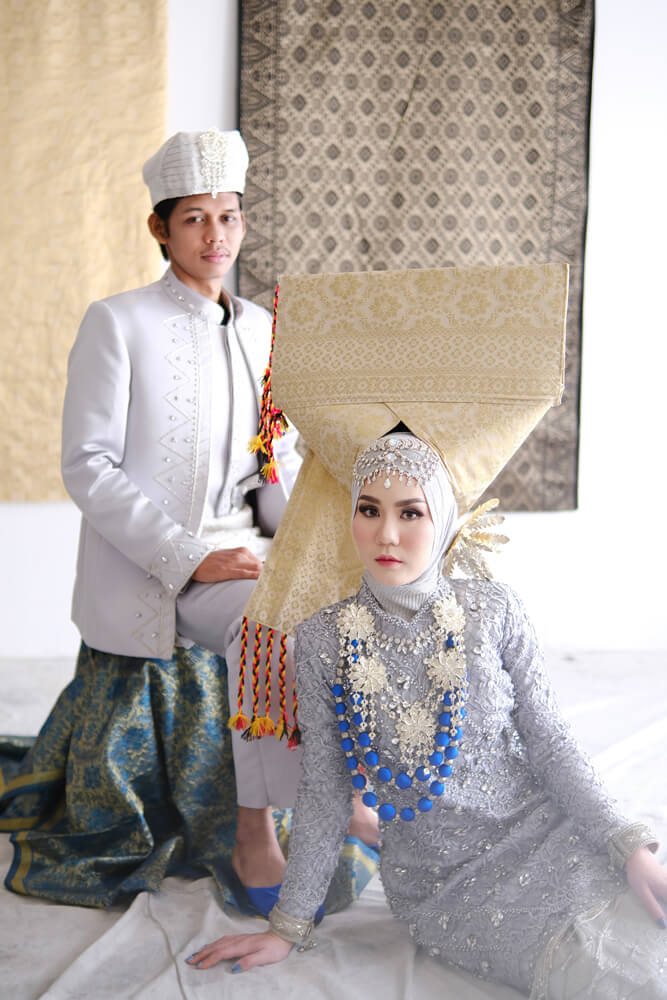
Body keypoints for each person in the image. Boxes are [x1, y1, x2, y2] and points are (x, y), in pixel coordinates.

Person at [0, 127, 376, 912]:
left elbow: (273, 462)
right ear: (160, 228)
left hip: (249, 545)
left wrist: (314, 545)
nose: (216, 236)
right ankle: (253, 830)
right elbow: (88, 464)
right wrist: (191, 557)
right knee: (265, 623)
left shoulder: (263, 329)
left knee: (349, 605)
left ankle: (343, 793)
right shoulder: (118, 322)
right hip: (158, 566)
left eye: (228, 216)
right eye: (196, 219)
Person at [188, 430, 667, 997]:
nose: (386, 534)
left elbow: (551, 741)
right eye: (369, 510)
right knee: (606, 975)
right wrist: (287, 927)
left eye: (410, 513)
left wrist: (627, 845)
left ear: (442, 519)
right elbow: (325, 789)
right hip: (447, 883)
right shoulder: (322, 642)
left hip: (549, 831)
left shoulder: (494, 610)